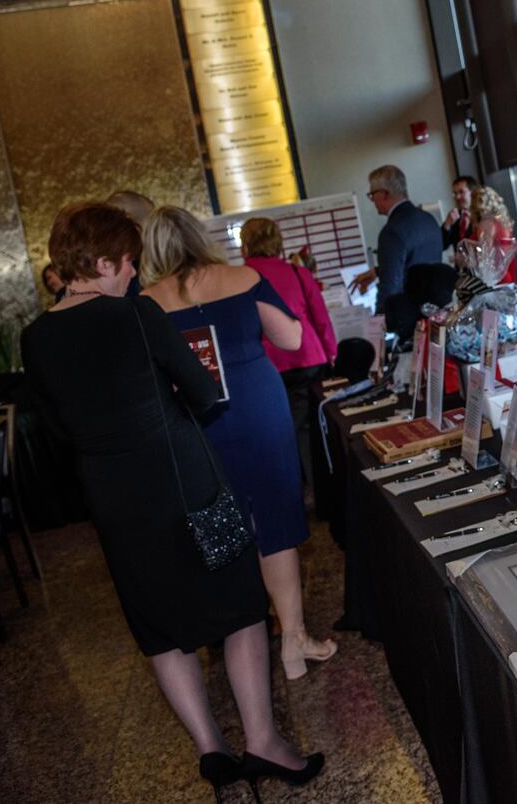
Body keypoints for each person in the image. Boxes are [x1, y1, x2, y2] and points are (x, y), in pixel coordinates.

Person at [20, 203, 322, 794]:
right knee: (239, 608)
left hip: (114, 502)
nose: (134, 274)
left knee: (160, 624)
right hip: (189, 483)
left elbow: (54, 432)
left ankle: (211, 750)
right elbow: (205, 391)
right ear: (103, 262)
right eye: (128, 263)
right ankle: (262, 741)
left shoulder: (35, 339)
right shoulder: (135, 315)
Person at [140, 207, 339, 683]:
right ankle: (293, 641)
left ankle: (239, 640)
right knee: (274, 517)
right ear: (198, 236)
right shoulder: (244, 276)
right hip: (257, 404)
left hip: (198, 417)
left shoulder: (147, 301)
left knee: (223, 522)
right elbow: (291, 338)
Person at [239, 217, 338, 488]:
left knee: (276, 429)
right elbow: (321, 319)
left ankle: (291, 491)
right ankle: (319, 491)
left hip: (265, 366)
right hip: (308, 359)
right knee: (309, 428)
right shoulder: (297, 272)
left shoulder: (239, 279)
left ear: (244, 245)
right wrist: (331, 352)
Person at [349, 165, 444, 335]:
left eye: (372, 195)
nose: (372, 200)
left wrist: (377, 327)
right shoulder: (428, 220)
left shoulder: (392, 231)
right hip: (438, 314)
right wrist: (378, 270)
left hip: (408, 323)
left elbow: (390, 287)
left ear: (384, 193)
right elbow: (419, 262)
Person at [469, 184, 517, 285]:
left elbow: (485, 256)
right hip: (506, 274)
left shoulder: (486, 224)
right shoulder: (503, 222)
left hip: (495, 278)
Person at [441, 174, 478, 250]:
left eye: (461, 192)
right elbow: (442, 246)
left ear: (473, 192)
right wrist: (447, 225)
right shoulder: (454, 217)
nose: (457, 197)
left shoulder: (482, 216)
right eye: (455, 193)